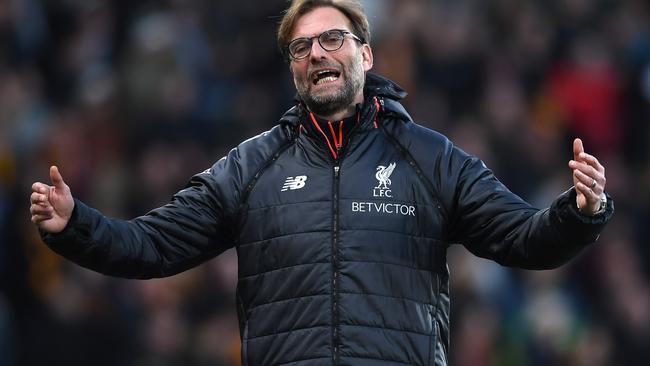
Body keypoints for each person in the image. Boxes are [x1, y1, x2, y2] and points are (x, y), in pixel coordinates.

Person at [29, 0, 613, 365]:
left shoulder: (431, 159)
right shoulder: (250, 166)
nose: (316, 53)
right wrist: (75, 225)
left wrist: (579, 213)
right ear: (292, 68)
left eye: (331, 39)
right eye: (301, 46)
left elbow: (522, 239)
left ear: (366, 54)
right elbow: (153, 246)